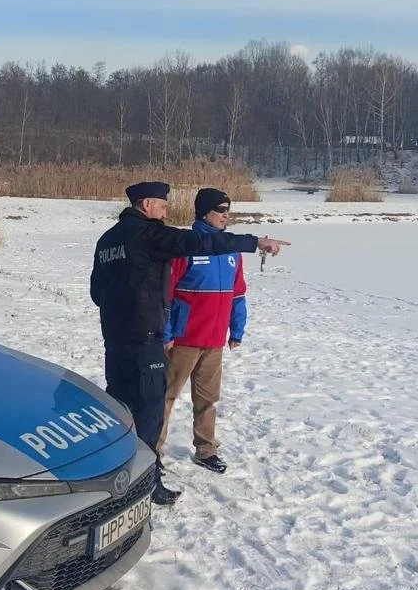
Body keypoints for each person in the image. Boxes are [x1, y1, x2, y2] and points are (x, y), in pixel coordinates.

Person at [90, 181, 289, 506]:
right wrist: (256, 242)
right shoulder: (150, 234)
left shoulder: (107, 240)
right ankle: (146, 482)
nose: (166, 213)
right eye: (163, 207)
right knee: (152, 412)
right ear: (146, 205)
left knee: (122, 408)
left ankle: (121, 472)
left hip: (117, 342)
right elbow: (199, 243)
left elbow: (97, 293)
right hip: (148, 341)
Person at [158, 187, 250, 473]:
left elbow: (237, 293)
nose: (226, 216)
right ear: (204, 212)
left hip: (214, 341)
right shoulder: (188, 246)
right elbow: (168, 293)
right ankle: (151, 450)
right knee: (166, 396)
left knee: (208, 398)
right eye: (220, 210)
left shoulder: (231, 248)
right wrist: (168, 332)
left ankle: (206, 449)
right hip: (183, 340)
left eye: (228, 210)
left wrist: (236, 329)